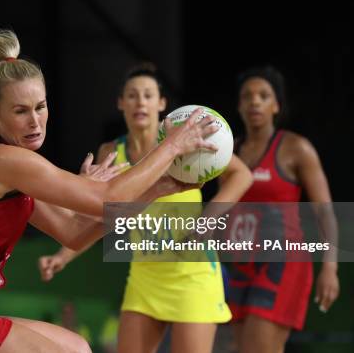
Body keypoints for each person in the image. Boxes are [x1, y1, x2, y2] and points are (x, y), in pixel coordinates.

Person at [0, 25, 219, 353]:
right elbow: (107, 199)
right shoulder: (1, 159)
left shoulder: (8, 167)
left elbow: (72, 232)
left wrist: (160, 188)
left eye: (40, 106)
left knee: (77, 346)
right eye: (20, 111)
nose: (35, 121)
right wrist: (173, 146)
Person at [38, 63, 253, 353]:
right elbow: (102, 217)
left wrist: (208, 220)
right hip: (144, 275)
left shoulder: (184, 142)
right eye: (133, 95)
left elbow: (242, 175)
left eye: (148, 95)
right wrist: (63, 256)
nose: (140, 101)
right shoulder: (111, 153)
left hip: (193, 276)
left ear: (162, 104)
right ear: (120, 103)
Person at [227, 66, 340, 353]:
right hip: (240, 262)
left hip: (282, 262)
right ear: (239, 105)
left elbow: (325, 211)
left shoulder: (295, 148)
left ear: (276, 105)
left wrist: (330, 266)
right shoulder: (229, 151)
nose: (254, 101)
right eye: (247, 96)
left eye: (263, 96)